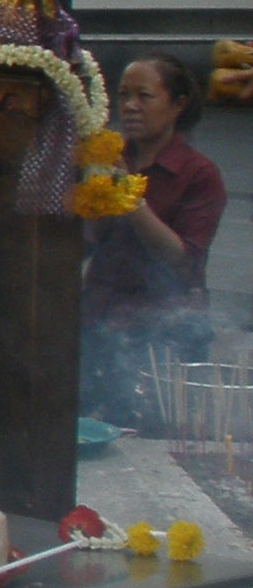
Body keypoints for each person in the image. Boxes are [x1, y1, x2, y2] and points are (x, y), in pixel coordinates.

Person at [81, 55, 224, 426]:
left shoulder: (199, 174)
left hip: (161, 332)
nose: (130, 106)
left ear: (178, 105)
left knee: (144, 428)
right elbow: (88, 241)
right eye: (124, 95)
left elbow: (181, 259)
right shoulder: (109, 158)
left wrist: (129, 195)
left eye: (144, 96)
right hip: (98, 319)